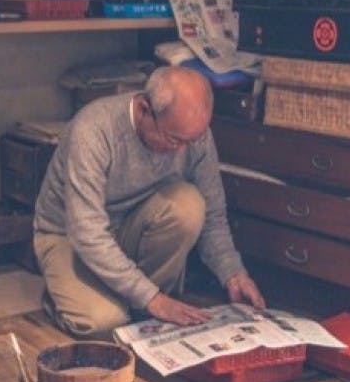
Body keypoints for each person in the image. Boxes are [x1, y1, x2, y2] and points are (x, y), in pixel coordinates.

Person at [33, 65, 265, 337]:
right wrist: (153, 298)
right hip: (69, 237)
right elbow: (88, 234)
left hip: (130, 229)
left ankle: (134, 298)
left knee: (190, 205)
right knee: (104, 321)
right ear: (144, 109)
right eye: (173, 139)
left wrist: (233, 274)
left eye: (192, 140)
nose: (182, 150)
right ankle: (69, 295)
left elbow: (213, 215)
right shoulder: (93, 130)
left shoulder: (193, 136)